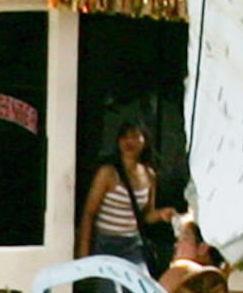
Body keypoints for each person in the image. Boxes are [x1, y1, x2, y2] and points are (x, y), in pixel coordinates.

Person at [76, 113, 179, 271]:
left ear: (144, 141)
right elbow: (89, 213)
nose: (129, 141)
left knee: (140, 291)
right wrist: (83, 258)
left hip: (132, 245)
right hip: (106, 244)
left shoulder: (149, 175)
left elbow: (145, 216)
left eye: (135, 136)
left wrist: (162, 214)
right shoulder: (108, 173)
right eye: (125, 136)